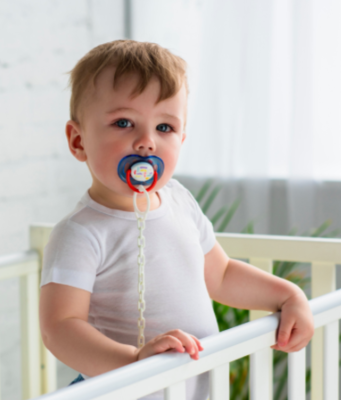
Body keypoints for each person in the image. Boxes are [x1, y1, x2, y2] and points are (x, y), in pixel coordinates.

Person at [38, 40, 314, 399]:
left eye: (165, 127)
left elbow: (222, 274)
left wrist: (288, 295)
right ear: (78, 141)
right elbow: (60, 327)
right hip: (127, 391)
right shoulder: (80, 233)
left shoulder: (179, 200)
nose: (146, 142)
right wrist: (135, 360)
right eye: (123, 122)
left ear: (182, 137)